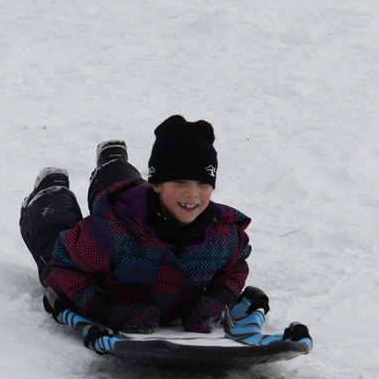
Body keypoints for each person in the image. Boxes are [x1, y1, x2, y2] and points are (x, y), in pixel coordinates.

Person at [19, 115, 253, 335]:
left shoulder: (224, 236)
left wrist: (218, 298)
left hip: (138, 211)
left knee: (125, 189)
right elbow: (67, 267)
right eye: (180, 181)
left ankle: (113, 162)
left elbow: (234, 270)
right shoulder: (110, 234)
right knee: (55, 240)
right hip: (107, 261)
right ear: (158, 184)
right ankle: (51, 191)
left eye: (203, 183)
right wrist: (104, 306)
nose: (192, 193)